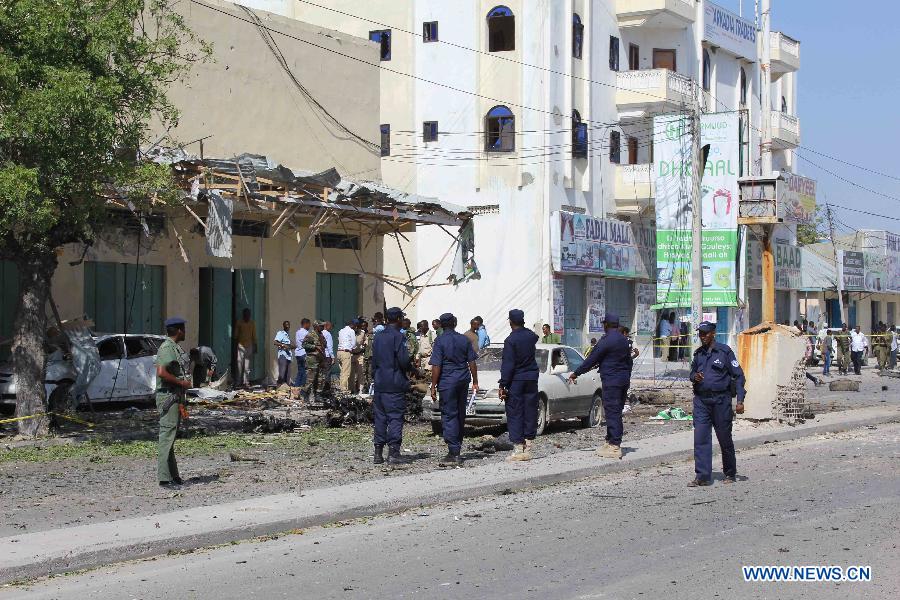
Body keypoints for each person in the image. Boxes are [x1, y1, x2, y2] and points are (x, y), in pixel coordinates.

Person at [687, 321, 746, 487]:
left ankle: (730, 472)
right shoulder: (698, 354)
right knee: (700, 438)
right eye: (700, 334)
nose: (702, 337)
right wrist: (694, 377)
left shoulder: (725, 352)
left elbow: (739, 376)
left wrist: (740, 400)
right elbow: (692, 372)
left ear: (713, 333)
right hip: (701, 401)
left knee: (724, 439)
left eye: (705, 333)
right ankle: (703, 476)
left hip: (721, 401)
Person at [568, 314, 631, 459]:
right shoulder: (623, 340)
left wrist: (576, 373)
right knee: (616, 411)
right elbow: (628, 361)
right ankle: (610, 441)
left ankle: (615, 446)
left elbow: (591, 359)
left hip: (612, 380)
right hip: (623, 380)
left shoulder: (606, 341)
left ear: (606, 325)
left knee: (611, 411)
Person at [430, 313, 479, 466]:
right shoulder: (464, 339)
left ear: (442, 325)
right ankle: (456, 447)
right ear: (455, 323)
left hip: (448, 381)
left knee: (449, 415)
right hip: (463, 380)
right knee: (459, 414)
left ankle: (454, 452)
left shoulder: (440, 341)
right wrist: (475, 381)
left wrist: (433, 385)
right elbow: (471, 361)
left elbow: (436, 365)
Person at [371, 307, 415, 465]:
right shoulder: (398, 337)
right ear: (397, 319)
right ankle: (394, 453)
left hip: (380, 383)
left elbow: (373, 361)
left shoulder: (378, 337)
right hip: (394, 384)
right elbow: (403, 361)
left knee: (380, 419)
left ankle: (378, 453)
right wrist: (412, 370)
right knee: (395, 418)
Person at [498, 309, 539, 462]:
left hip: (517, 379)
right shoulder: (531, 336)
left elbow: (508, 364)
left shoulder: (510, 340)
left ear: (510, 321)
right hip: (531, 378)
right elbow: (534, 335)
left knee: (515, 412)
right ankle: (528, 446)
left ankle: (518, 448)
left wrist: (503, 384)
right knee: (530, 410)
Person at [156, 317, 191, 487]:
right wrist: (181, 383)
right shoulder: (167, 347)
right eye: (183, 328)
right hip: (168, 397)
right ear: (178, 330)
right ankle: (164, 478)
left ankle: (173, 475)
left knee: (170, 436)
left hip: (175, 397)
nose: (185, 332)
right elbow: (161, 372)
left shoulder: (174, 348)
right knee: (166, 437)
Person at [233, 308, 257, 388]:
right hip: (240, 346)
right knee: (239, 365)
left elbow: (254, 335)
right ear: (243, 315)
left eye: (248, 314)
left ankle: (246, 382)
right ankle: (238, 382)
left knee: (247, 366)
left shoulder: (252, 323)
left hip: (249, 346)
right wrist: (235, 347)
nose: (247, 316)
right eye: (245, 314)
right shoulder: (239, 323)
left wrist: (255, 345)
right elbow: (236, 336)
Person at [301, 321, 325, 399]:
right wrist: (315, 346)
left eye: (323, 326)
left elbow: (324, 344)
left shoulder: (321, 335)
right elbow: (304, 344)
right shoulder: (310, 335)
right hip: (312, 359)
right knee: (311, 379)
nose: (322, 327)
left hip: (321, 358)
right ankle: (305, 394)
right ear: (316, 326)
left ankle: (318, 394)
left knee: (320, 378)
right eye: (321, 326)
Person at [619, 325, 640, 413]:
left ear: (624, 333)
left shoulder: (629, 342)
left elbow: (637, 352)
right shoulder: (623, 341)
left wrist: (630, 359)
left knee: (624, 382)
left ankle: (631, 399)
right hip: (622, 364)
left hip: (625, 365)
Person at [337, 319, 359, 392]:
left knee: (342, 372)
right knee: (346, 372)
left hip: (339, 352)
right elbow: (354, 344)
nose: (355, 327)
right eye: (355, 325)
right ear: (352, 325)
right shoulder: (351, 331)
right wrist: (353, 348)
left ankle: (342, 387)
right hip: (346, 352)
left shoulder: (341, 330)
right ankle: (343, 389)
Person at [274, 320, 295, 387]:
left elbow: (291, 345)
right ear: (283, 326)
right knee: (282, 373)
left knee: (288, 374)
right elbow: (275, 342)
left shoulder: (287, 335)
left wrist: (292, 346)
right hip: (283, 355)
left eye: (288, 325)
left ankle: (285, 389)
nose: (287, 326)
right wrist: (283, 345)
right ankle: (278, 386)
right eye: (286, 325)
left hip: (288, 356)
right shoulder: (280, 333)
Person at [292, 319, 311, 388]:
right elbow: (307, 343)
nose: (310, 326)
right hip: (304, 353)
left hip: (298, 353)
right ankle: (303, 387)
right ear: (305, 324)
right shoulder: (306, 333)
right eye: (309, 324)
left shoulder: (298, 332)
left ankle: (296, 386)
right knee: (305, 371)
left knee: (300, 371)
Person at [354, 321, 369, 394]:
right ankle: (352, 389)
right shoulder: (349, 333)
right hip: (351, 355)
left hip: (359, 355)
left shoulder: (362, 333)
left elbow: (366, 342)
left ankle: (360, 390)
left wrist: (363, 346)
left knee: (361, 373)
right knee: (352, 373)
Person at [321, 321, 334, 392]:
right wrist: (332, 357)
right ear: (327, 326)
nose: (331, 328)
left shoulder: (320, 333)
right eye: (330, 326)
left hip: (321, 355)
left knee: (322, 373)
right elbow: (329, 346)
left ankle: (321, 388)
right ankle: (327, 389)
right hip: (327, 356)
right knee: (328, 373)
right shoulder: (328, 334)